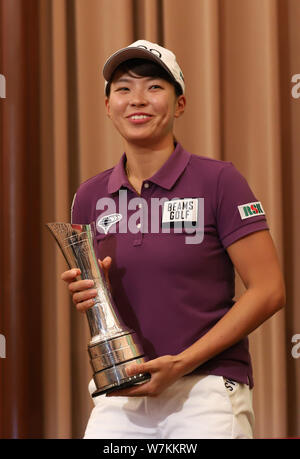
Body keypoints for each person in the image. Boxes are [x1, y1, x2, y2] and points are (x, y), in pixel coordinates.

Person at [61, 40, 285, 439]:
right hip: (120, 393)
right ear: (107, 104)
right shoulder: (89, 196)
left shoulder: (220, 181)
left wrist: (180, 363)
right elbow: (101, 302)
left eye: (154, 87)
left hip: (205, 389)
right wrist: (91, 296)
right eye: (124, 88)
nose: (137, 100)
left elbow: (268, 290)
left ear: (180, 104)